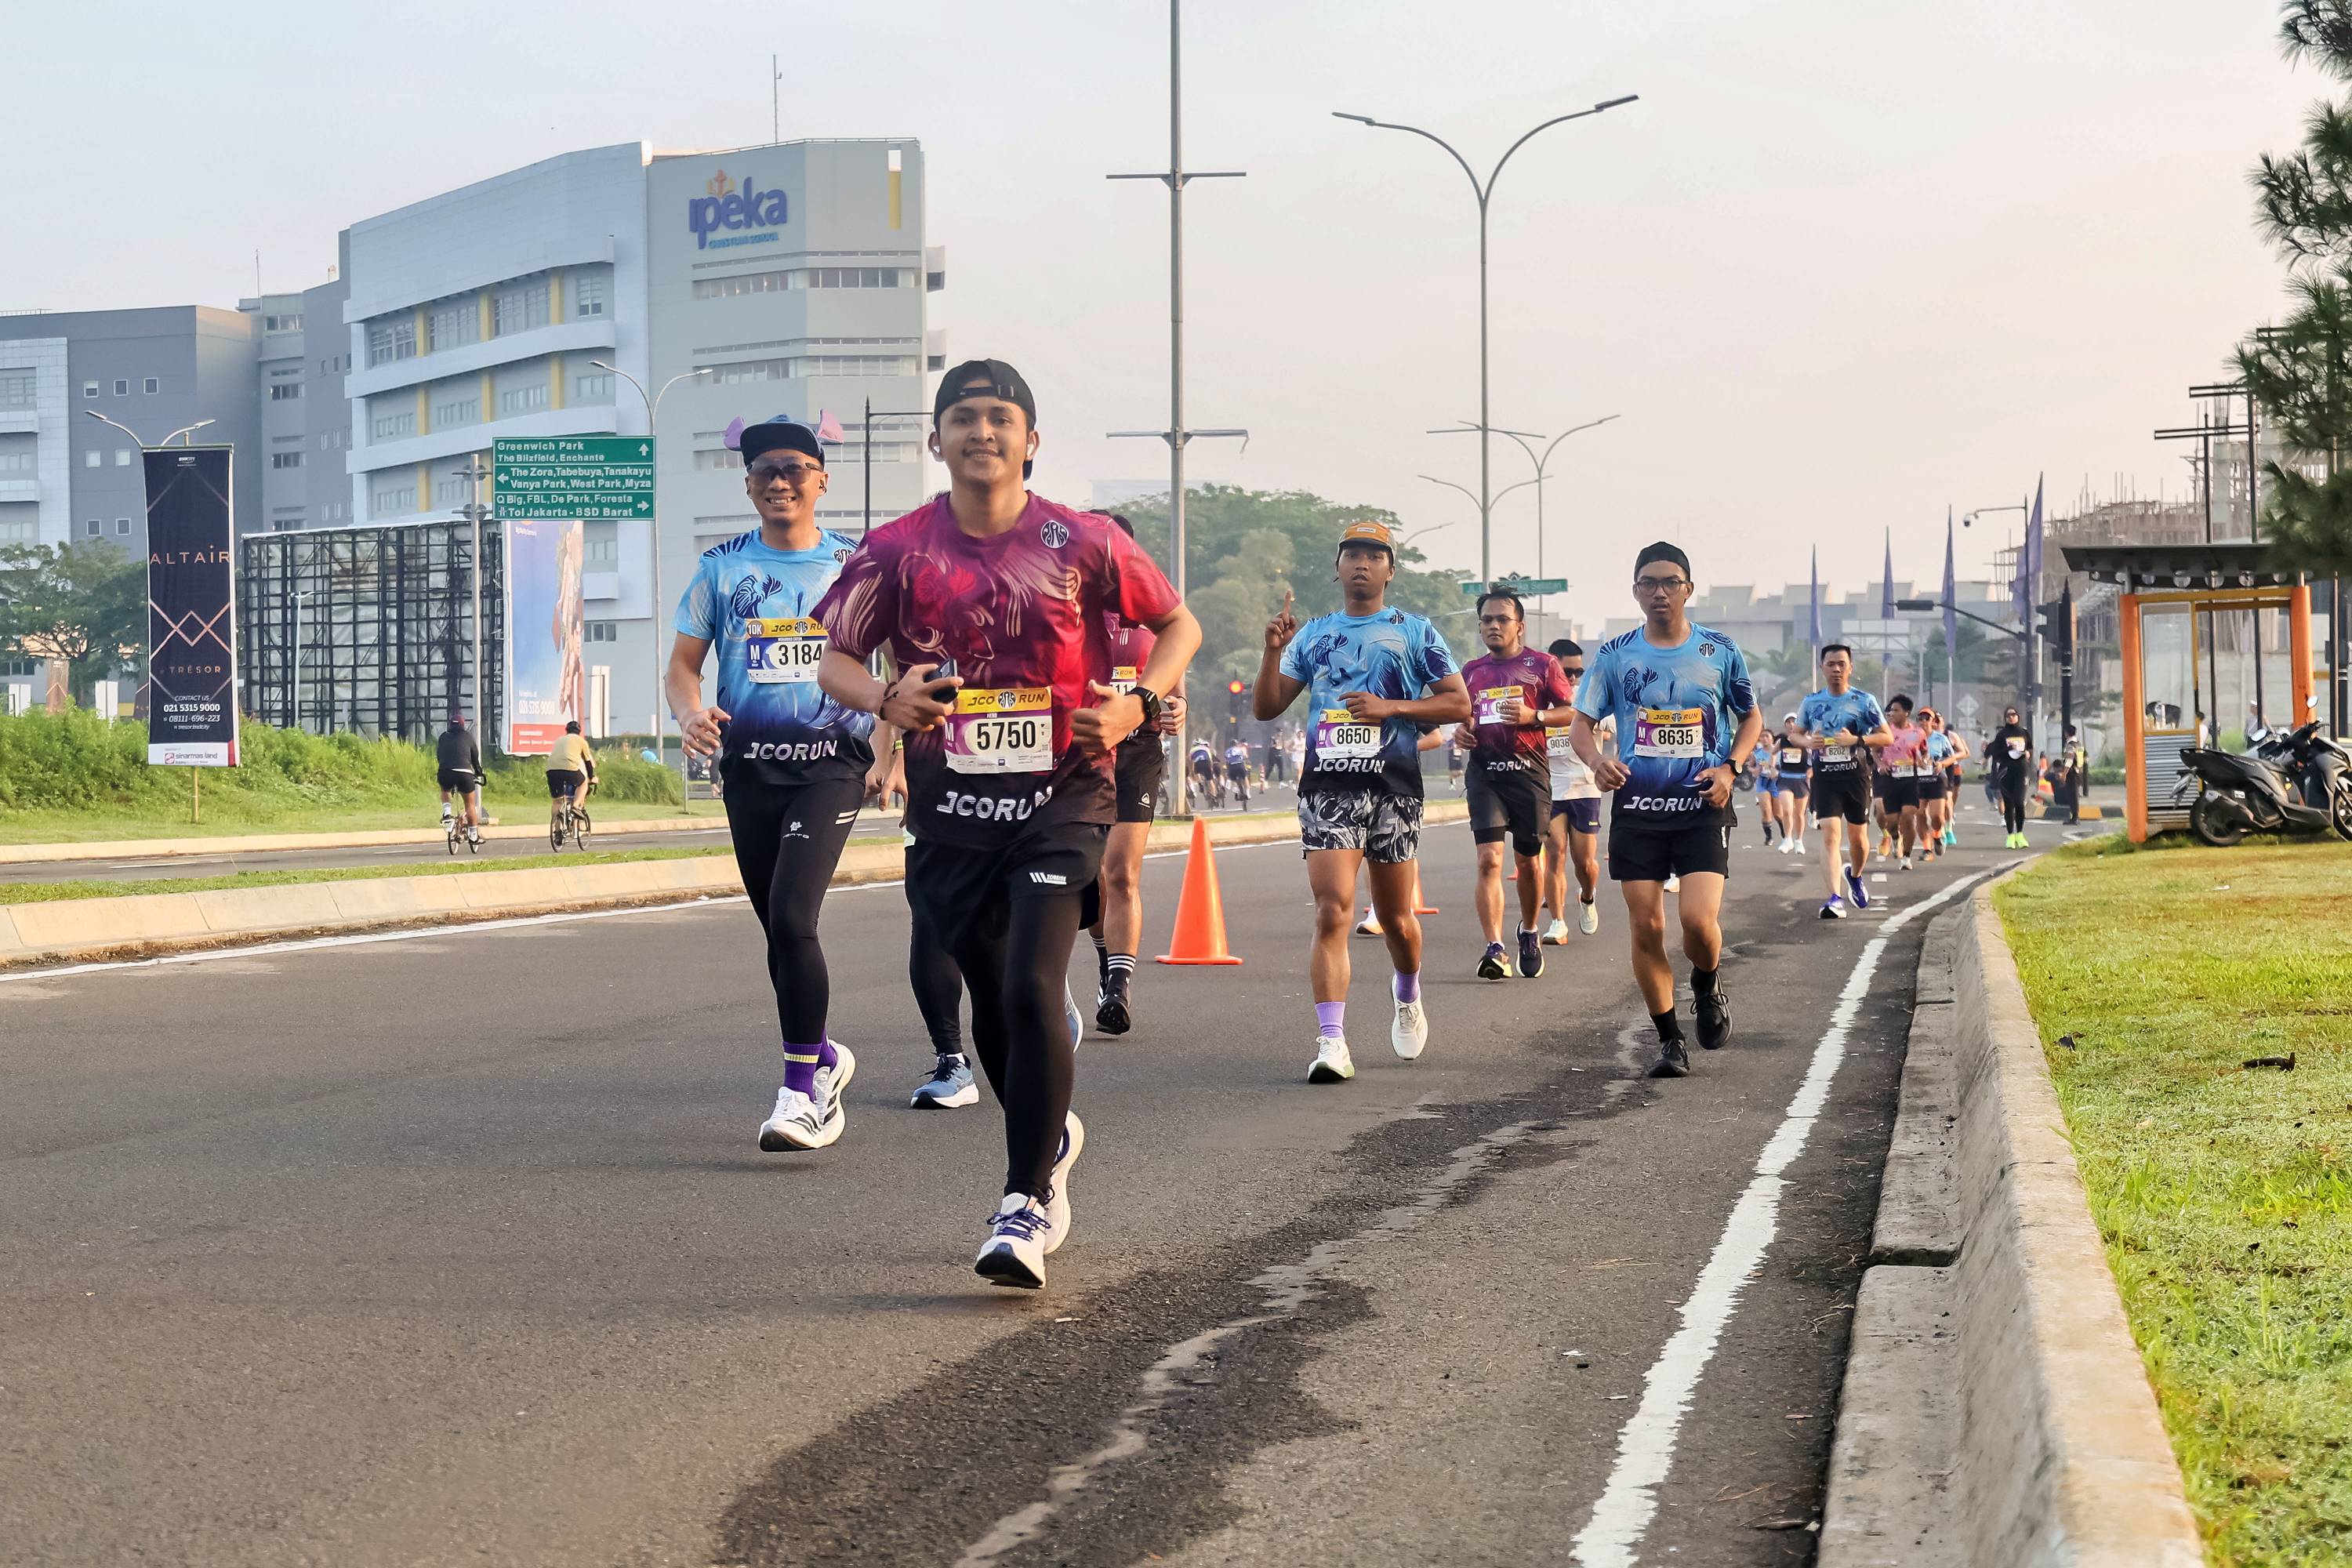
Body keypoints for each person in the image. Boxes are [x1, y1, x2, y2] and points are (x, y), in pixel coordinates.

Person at [815, 358, 1200, 1290]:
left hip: (1064, 793)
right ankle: (1050, 1133)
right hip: (951, 807)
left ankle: (1023, 1199)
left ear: (1030, 440)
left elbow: (1179, 626)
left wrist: (1138, 704)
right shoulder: (896, 549)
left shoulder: (1086, 538)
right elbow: (834, 658)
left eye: (999, 417)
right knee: (990, 999)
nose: (981, 431)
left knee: (1032, 983)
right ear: (936, 439)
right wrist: (887, 699)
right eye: (963, 417)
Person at [670, 417, 875, 1155]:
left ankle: (801, 1094)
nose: (778, 482)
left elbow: (899, 660)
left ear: (822, 479)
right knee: (777, 930)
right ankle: (823, 1054)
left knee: (793, 917)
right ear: (748, 483)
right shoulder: (721, 568)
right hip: (750, 770)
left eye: (793, 468)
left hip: (831, 765)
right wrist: (690, 714)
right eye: (763, 471)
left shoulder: (856, 565)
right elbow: (684, 665)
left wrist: (896, 751)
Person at [1254, 521, 1469, 1084]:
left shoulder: (1415, 631)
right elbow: (1267, 708)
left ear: (1390, 570)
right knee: (1332, 910)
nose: (1361, 564)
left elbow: (1458, 705)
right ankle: (1332, 1042)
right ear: (1338, 567)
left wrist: (1391, 708)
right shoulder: (1315, 634)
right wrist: (1272, 652)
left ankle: (1407, 992)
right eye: (1351, 554)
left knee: (1396, 919)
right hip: (1329, 787)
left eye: (1374, 556)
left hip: (1394, 787)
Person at [1568, 542, 1760, 1080]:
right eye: (1648, 583)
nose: (1659, 592)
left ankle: (1707, 979)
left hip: (1702, 804)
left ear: (1688, 589)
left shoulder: (1719, 651)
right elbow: (1582, 723)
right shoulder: (1615, 655)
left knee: (1697, 922)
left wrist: (1730, 769)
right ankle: (1670, 1039)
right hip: (1639, 807)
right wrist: (1597, 761)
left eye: (1670, 582)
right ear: (1635, 591)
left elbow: (1750, 717)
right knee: (1646, 926)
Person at [1090, 514, 1185, 1035]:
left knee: (1122, 872)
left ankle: (1119, 987)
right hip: (1082, 752)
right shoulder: (1068, 611)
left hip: (1138, 752)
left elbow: (1175, 684)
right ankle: (1106, 961)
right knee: (1090, 878)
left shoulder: (1155, 613)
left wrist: (1178, 708)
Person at [1454, 591, 1575, 979]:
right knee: (1489, 859)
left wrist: (1533, 716)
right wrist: (1463, 731)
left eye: (1502, 619)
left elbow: (1571, 712)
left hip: (1529, 774)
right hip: (1485, 775)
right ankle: (1494, 948)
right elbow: (1464, 716)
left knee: (1528, 862)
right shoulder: (1471, 671)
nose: (1493, 626)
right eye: (1486, 620)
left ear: (1519, 626)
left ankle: (1529, 930)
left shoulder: (1543, 665)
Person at [1798, 644, 1892, 920]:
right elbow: (1795, 734)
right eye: (1831, 664)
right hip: (1825, 778)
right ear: (1822, 668)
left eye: (1842, 664)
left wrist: (1857, 740)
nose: (1836, 669)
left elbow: (1886, 736)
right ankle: (1835, 899)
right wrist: (1808, 742)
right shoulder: (1811, 702)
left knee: (1859, 841)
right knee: (1830, 834)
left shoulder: (1864, 701)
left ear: (1850, 668)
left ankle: (1855, 875)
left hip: (1857, 777)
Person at [1540, 638, 1606, 943]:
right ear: (1553, 666)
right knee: (1555, 854)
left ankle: (1588, 896)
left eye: (1580, 671)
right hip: (1550, 788)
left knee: (1585, 863)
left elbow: (1614, 725)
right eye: (1569, 672)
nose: (1575, 678)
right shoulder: (1538, 701)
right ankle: (1557, 922)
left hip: (1585, 788)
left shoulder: (1588, 698)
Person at [1879, 696, 1929, 869]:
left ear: (1906, 713)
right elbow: (1874, 751)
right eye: (1891, 710)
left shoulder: (1918, 733)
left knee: (1908, 816)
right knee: (1891, 822)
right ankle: (1895, 838)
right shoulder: (1885, 732)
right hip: (1890, 779)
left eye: (1896, 710)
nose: (1892, 713)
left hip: (1910, 779)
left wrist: (1923, 761)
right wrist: (1880, 764)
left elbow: (1924, 751)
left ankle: (1906, 857)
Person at [1988, 706, 2035, 848]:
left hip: (2022, 770)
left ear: (2018, 716)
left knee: (2019, 803)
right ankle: (2010, 836)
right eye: (2008, 715)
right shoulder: (2001, 735)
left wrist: (2028, 753)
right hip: (2006, 771)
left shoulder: (2024, 733)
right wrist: (2007, 749)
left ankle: (2020, 834)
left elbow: (2030, 748)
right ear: (2005, 718)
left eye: (2014, 714)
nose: (2011, 717)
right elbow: (1995, 754)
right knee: (2008, 804)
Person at [436, 714, 485, 846]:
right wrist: (478, 771)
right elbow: (474, 756)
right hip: (464, 774)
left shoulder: (443, 737)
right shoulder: (468, 737)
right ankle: (473, 836)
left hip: (445, 772)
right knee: (470, 804)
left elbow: (439, 756)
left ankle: (447, 813)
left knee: (445, 789)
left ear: (450, 725)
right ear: (463, 725)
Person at [1768, 713, 1811, 853]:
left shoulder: (1806, 741)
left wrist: (1812, 769)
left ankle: (1799, 841)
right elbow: (1773, 753)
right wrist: (1772, 768)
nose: (1791, 724)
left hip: (1801, 779)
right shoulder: (1782, 741)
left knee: (1799, 814)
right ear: (1785, 725)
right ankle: (1787, 839)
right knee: (1787, 810)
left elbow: (1817, 755)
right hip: (1785, 778)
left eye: (1794, 721)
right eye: (1789, 722)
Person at [545, 720, 597, 830]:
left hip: (551, 770)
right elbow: (588, 763)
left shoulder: (559, 740)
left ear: (566, 731)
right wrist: (591, 777)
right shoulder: (581, 741)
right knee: (583, 784)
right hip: (570, 768)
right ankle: (575, 807)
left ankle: (557, 830)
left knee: (557, 801)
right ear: (579, 732)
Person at [1223, 735, 1253, 809]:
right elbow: (1245, 756)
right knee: (1245, 777)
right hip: (1240, 765)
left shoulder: (1227, 751)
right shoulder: (1240, 749)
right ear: (1236, 744)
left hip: (1232, 767)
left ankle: (1236, 788)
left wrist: (1228, 770)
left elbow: (1227, 761)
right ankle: (1248, 793)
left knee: (1233, 778)